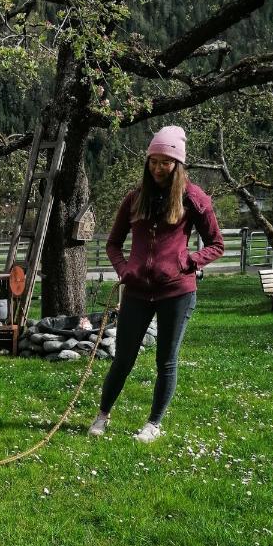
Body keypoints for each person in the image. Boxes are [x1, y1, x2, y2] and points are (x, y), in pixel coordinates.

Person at [88, 125, 224, 442]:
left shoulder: (193, 198)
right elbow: (112, 244)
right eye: (153, 161)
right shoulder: (134, 199)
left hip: (177, 293)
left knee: (166, 360)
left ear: (178, 164)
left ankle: (153, 424)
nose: (158, 168)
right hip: (136, 291)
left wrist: (188, 262)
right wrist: (124, 269)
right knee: (123, 359)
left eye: (165, 161)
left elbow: (216, 244)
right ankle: (102, 415)